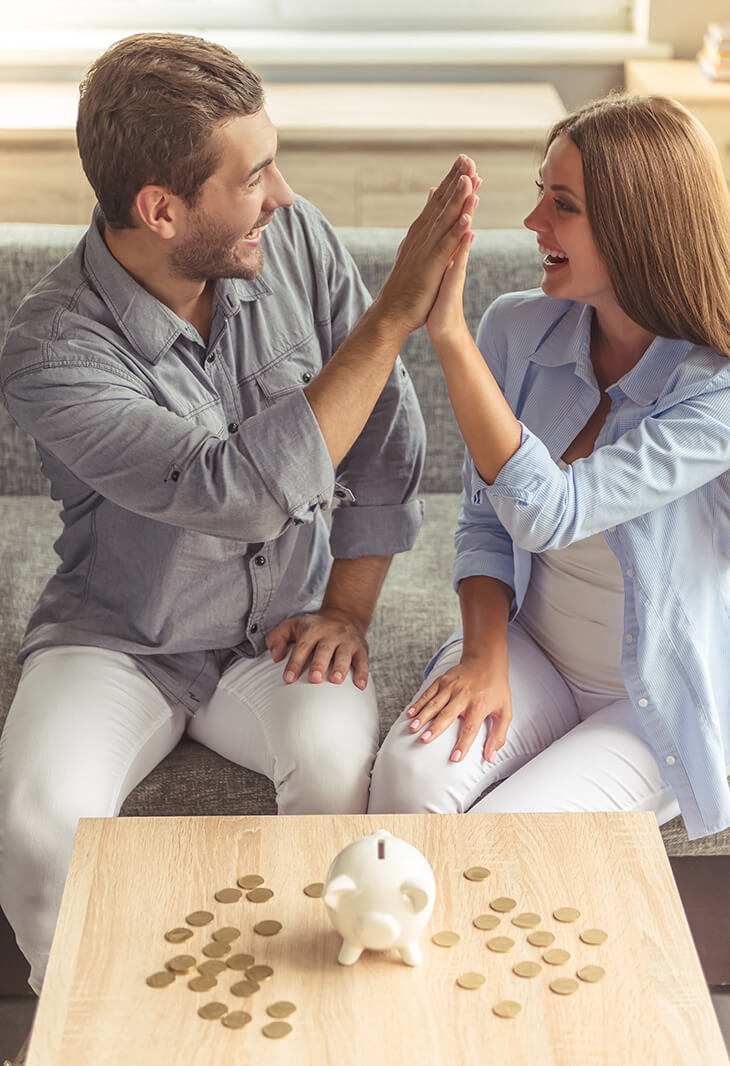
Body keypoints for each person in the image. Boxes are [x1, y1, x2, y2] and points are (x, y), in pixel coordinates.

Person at [0, 32, 480, 1001]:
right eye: (254, 174)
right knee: (37, 820)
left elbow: (386, 432)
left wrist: (347, 604)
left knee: (338, 762)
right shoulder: (51, 348)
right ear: (160, 210)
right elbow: (232, 490)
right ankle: (93, 1030)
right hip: (120, 637)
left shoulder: (289, 242)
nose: (284, 194)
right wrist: (390, 316)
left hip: (282, 633)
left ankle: (311, 1020)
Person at [369, 93, 730, 841]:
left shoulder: (716, 390)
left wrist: (448, 337)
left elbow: (550, 509)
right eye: (541, 192)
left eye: (561, 204)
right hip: (533, 647)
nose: (533, 222)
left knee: (507, 836)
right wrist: (484, 657)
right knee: (407, 783)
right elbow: (484, 520)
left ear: (639, 230)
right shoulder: (518, 328)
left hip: (650, 698)